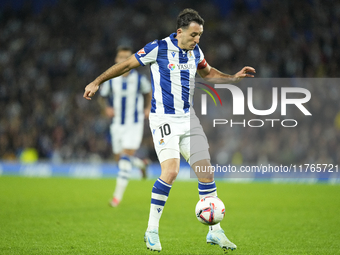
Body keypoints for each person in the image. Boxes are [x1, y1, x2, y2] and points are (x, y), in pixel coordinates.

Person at [84, 8, 255, 252]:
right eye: (194, 34)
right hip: (163, 119)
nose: (197, 39)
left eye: (200, 35)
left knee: (205, 170)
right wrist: (97, 81)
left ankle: (215, 232)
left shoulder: (196, 52)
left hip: (188, 119)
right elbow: (126, 65)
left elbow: (209, 73)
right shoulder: (158, 48)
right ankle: (151, 230)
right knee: (172, 171)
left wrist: (233, 78)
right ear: (180, 32)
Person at [98, 46, 152, 207]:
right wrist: (106, 108)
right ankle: (141, 164)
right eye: (120, 57)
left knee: (124, 158)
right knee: (119, 160)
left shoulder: (139, 79)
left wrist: (148, 108)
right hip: (117, 125)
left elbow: (148, 93)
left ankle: (116, 198)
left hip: (134, 124)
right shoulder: (111, 80)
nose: (123, 60)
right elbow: (102, 97)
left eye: (127, 57)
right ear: (116, 60)